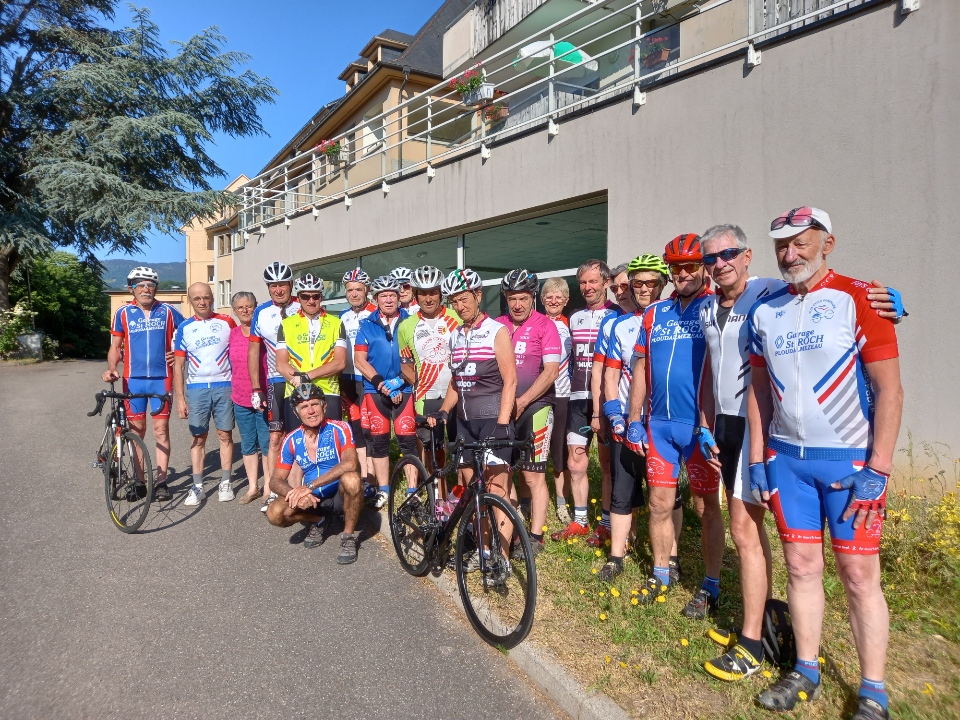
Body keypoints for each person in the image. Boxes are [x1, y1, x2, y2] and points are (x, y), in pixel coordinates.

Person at [697, 223, 906, 682]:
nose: (719, 264)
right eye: (710, 258)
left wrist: (887, 298)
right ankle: (771, 636)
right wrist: (705, 424)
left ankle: (755, 639)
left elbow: (838, 305)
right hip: (738, 432)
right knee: (774, 548)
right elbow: (714, 370)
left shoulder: (770, 289)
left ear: (749, 256)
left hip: (797, 441)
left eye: (728, 253)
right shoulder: (711, 305)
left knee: (750, 532)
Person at [747, 208, 903, 720]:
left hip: (849, 462)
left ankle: (873, 691)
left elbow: (889, 388)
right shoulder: (766, 309)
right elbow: (759, 392)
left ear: (827, 242)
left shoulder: (861, 298)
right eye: (781, 246)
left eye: (801, 243)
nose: (790, 254)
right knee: (801, 566)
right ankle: (806, 669)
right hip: (787, 461)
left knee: (859, 574)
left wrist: (878, 469)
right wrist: (756, 460)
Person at [626, 234, 724, 617]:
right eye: (677, 267)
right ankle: (661, 574)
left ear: (703, 267)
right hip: (661, 426)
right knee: (658, 503)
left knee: (705, 508)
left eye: (690, 266)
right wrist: (635, 418)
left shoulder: (717, 307)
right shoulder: (654, 314)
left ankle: (711, 585)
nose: (683, 273)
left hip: (701, 429)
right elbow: (639, 367)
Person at [599, 254, 682, 580]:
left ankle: (671, 557)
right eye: (638, 283)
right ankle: (616, 557)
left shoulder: (675, 316)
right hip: (626, 420)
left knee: (668, 498)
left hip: (661, 422)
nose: (643, 288)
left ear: (663, 284)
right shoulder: (618, 323)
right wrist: (613, 414)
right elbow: (610, 374)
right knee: (622, 492)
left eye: (651, 283)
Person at [430, 269, 517, 502]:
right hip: (464, 424)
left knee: (497, 491)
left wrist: (502, 423)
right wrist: (444, 410)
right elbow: (456, 381)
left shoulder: (496, 331)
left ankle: (503, 539)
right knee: (470, 489)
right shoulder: (456, 335)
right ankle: (479, 539)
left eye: (464, 299)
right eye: (454, 301)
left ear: (478, 295)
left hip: (492, 420)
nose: (459, 306)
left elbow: (511, 380)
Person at [551, 260, 621, 541]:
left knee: (606, 465)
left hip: (605, 400)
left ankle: (604, 522)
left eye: (593, 282)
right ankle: (580, 520)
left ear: (606, 283)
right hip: (576, 399)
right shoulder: (575, 317)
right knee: (576, 462)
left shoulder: (617, 314)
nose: (587, 287)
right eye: (583, 283)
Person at [102, 266, 184, 501]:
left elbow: (189, 332)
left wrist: (179, 353)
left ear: (156, 289)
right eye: (141, 285)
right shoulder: (123, 313)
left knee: (161, 431)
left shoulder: (168, 311)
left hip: (162, 379)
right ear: (132, 289)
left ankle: (161, 483)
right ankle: (139, 482)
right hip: (133, 380)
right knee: (137, 431)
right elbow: (115, 346)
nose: (146, 289)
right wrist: (111, 369)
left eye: (150, 285)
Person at [495, 269, 561, 554]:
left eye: (523, 298)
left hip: (536, 406)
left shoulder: (546, 325)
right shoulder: (497, 325)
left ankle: (535, 537)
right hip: (501, 409)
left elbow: (551, 371)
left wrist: (522, 401)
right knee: (503, 472)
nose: (517, 305)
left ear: (532, 297)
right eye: (512, 298)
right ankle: (510, 526)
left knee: (533, 475)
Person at [265, 383, 364, 565]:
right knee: (274, 513)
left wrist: (309, 486)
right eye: (304, 407)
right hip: (314, 500)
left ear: (324, 406)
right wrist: (292, 493)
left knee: (352, 478)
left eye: (314, 404)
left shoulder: (340, 428)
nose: (310, 411)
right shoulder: (291, 440)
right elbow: (275, 481)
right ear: (297, 413)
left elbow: (350, 463)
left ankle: (348, 535)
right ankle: (320, 520)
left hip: (340, 494)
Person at [353, 275, 416, 508]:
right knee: (378, 442)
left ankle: (412, 490)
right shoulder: (367, 325)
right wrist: (383, 384)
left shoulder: (411, 321)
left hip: (405, 387)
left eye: (392, 295)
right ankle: (383, 490)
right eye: (383, 296)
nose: (388, 299)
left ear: (399, 297)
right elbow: (360, 360)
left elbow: (416, 359)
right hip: (374, 389)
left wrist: (398, 383)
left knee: (407, 440)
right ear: (376, 299)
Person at [173, 282, 238, 506]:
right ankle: (198, 486)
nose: (202, 302)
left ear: (212, 298)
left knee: (225, 435)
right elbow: (178, 366)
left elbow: (239, 351)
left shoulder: (227, 322)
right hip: (197, 388)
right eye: (197, 298)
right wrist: (180, 398)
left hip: (224, 385)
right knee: (198, 437)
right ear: (190, 301)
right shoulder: (184, 328)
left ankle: (226, 482)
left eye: (206, 297)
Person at [586, 263, 634, 547]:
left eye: (624, 286)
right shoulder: (611, 320)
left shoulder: (657, 315)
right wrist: (597, 411)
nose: (619, 292)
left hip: (651, 416)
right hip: (615, 411)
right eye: (615, 288)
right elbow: (599, 371)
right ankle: (616, 528)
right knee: (615, 472)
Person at [397, 265, 461, 474]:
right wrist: (420, 382)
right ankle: (438, 499)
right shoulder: (406, 326)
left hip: (458, 392)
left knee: (460, 448)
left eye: (433, 292)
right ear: (415, 295)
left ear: (441, 293)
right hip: (426, 395)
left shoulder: (456, 318)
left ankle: (462, 495)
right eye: (423, 293)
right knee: (434, 450)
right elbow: (405, 365)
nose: (428, 298)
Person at [249, 262, 300, 512]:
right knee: (275, 437)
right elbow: (254, 350)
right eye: (273, 285)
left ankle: (303, 486)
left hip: (302, 379)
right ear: (268, 288)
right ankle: (272, 490)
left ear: (291, 285)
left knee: (305, 433)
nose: (278, 289)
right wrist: (256, 388)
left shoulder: (304, 305)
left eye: (282, 284)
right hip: (275, 380)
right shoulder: (261, 312)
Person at [274, 273, 347, 420]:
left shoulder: (336, 323)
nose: (311, 301)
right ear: (299, 298)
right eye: (306, 297)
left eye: (316, 296)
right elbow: (281, 364)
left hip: (328, 390)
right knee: (299, 441)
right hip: (296, 390)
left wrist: (306, 376)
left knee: (329, 441)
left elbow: (340, 362)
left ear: (322, 297)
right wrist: (299, 381)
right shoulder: (286, 324)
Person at [228, 291, 271, 504]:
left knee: (266, 442)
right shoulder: (232, 334)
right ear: (234, 312)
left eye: (249, 306)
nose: (245, 310)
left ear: (256, 307)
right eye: (240, 308)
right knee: (247, 443)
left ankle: (268, 489)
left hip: (264, 395)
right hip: (240, 396)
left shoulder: (263, 333)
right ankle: (253, 486)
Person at [540, 277, 573, 525]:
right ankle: (530, 499)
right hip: (539, 394)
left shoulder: (569, 325)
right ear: (542, 300)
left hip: (562, 393)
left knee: (560, 451)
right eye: (549, 297)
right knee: (534, 449)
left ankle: (562, 503)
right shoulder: (536, 323)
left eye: (558, 297)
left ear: (566, 301)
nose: (553, 301)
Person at [339, 268, 376, 485]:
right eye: (350, 290)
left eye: (358, 290)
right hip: (347, 377)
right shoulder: (343, 316)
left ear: (367, 290)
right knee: (356, 427)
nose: (354, 294)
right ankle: (363, 476)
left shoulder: (374, 313)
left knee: (370, 427)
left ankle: (372, 477)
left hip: (367, 378)